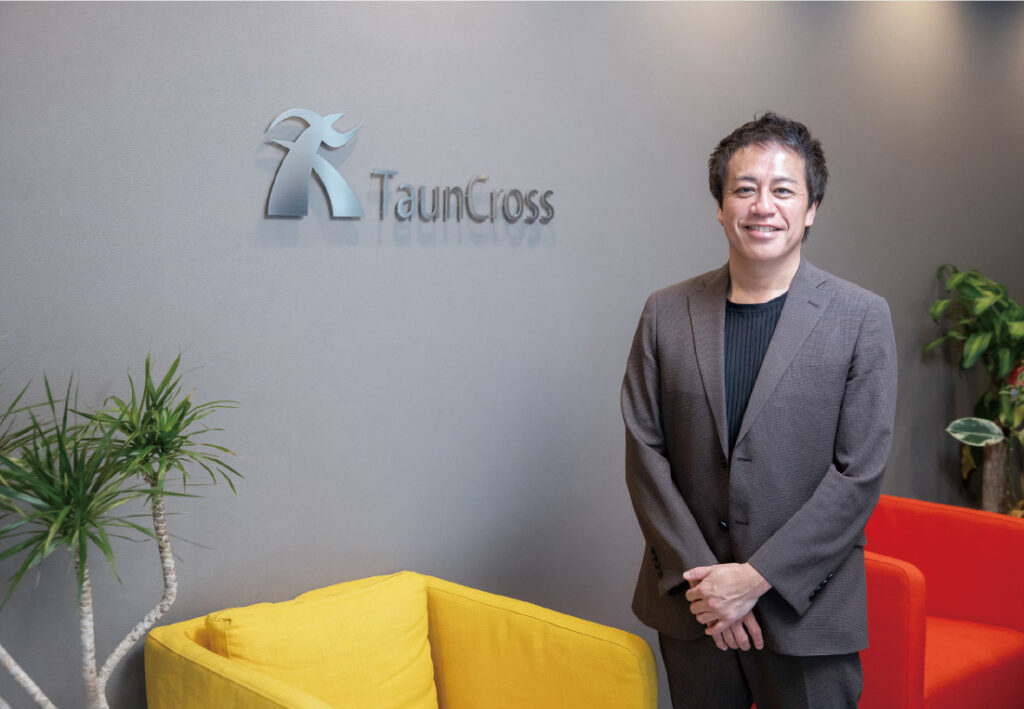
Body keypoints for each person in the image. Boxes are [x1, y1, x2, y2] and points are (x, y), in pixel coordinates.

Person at [621, 112, 897, 708]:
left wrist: (754, 579)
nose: (762, 206)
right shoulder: (665, 312)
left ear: (811, 208)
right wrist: (707, 586)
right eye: (744, 189)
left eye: (783, 190)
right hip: (694, 609)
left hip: (806, 610)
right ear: (721, 207)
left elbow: (858, 473)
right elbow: (645, 453)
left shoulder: (860, 318)